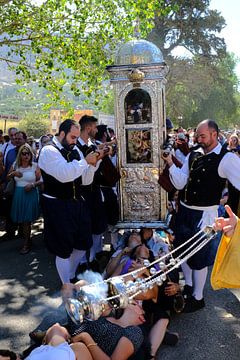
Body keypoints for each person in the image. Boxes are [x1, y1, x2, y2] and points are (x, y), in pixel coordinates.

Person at [163, 119, 240, 312]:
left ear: (215, 134)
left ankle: (198, 297)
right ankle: (188, 287)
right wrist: (171, 163)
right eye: (197, 135)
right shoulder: (194, 154)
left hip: (205, 215)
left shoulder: (226, 158)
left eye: (203, 136)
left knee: (199, 256)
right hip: (184, 211)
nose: (199, 139)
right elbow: (180, 183)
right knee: (182, 251)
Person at [38, 119, 103, 284]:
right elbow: (64, 174)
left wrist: (96, 162)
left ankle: (71, 275)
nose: (75, 141)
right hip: (57, 205)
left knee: (82, 244)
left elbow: (86, 180)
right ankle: (66, 285)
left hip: (76, 203)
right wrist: (85, 162)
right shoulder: (48, 151)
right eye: (72, 137)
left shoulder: (75, 151)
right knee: (63, 249)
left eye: (76, 137)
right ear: (62, 134)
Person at [70, 303, 144, 360]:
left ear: (142, 318)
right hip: (69, 340)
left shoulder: (135, 331)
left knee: (78, 347)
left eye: (136, 304)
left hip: (78, 352)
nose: (133, 301)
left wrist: (85, 337)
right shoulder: (110, 314)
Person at [7, 144, 42, 254]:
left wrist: (32, 185)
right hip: (19, 195)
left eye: (28, 153)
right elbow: (7, 176)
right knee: (22, 220)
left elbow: (41, 180)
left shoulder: (35, 166)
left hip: (30, 194)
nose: (26, 155)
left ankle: (26, 243)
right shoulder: (15, 165)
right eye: (24, 153)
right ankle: (28, 240)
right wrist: (13, 173)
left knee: (26, 221)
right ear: (20, 155)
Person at [26, 323, 92, 360]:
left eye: (61, 326)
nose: (57, 324)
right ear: (44, 340)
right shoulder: (37, 351)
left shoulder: (77, 348)